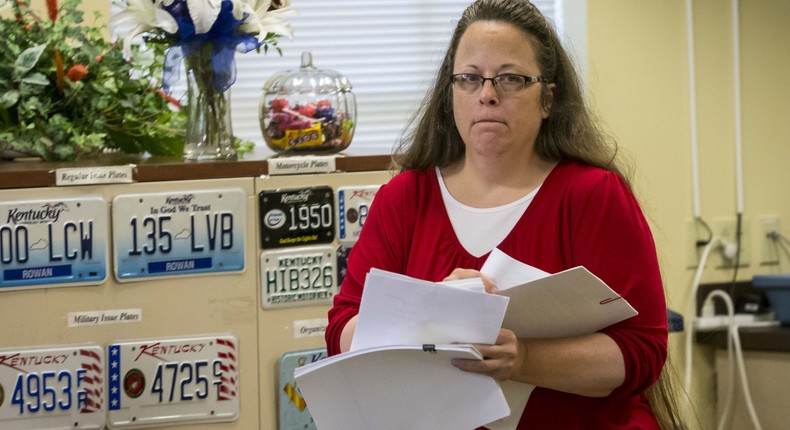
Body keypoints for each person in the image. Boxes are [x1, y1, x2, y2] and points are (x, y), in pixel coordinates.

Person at [326, 0, 681, 428]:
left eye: (511, 79)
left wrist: (524, 358)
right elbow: (342, 332)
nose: (487, 94)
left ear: (548, 98)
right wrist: (432, 313)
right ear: (450, 93)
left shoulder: (592, 194)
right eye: (469, 79)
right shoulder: (404, 198)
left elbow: (642, 351)